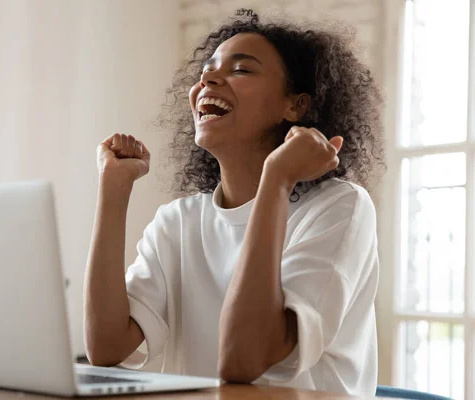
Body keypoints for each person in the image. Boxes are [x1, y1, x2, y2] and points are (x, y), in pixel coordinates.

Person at [83, 9, 385, 396]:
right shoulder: (178, 221)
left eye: (241, 70)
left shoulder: (340, 207)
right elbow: (106, 350)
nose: (207, 78)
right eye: (207, 70)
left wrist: (276, 179)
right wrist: (113, 191)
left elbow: (243, 360)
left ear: (295, 107)